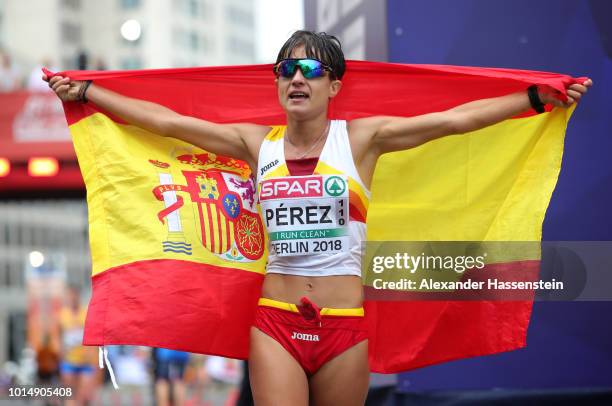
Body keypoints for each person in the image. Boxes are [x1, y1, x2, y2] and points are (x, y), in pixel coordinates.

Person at [45, 30, 592, 405]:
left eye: (310, 69)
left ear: (334, 85)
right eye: (286, 69)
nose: (296, 78)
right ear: (279, 84)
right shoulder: (254, 143)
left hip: (344, 329)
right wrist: (90, 92)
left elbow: (452, 122)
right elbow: (166, 122)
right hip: (275, 321)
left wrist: (533, 98)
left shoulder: (362, 139)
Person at [58, 285, 99, 406]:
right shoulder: (62, 315)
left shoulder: (86, 312)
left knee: (84, 396)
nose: (72, 298)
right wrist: (60, 353)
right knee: (70, 395)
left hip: (86, 360)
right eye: (69, 296)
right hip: (69, 360)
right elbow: (58, 336)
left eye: (74, 295)